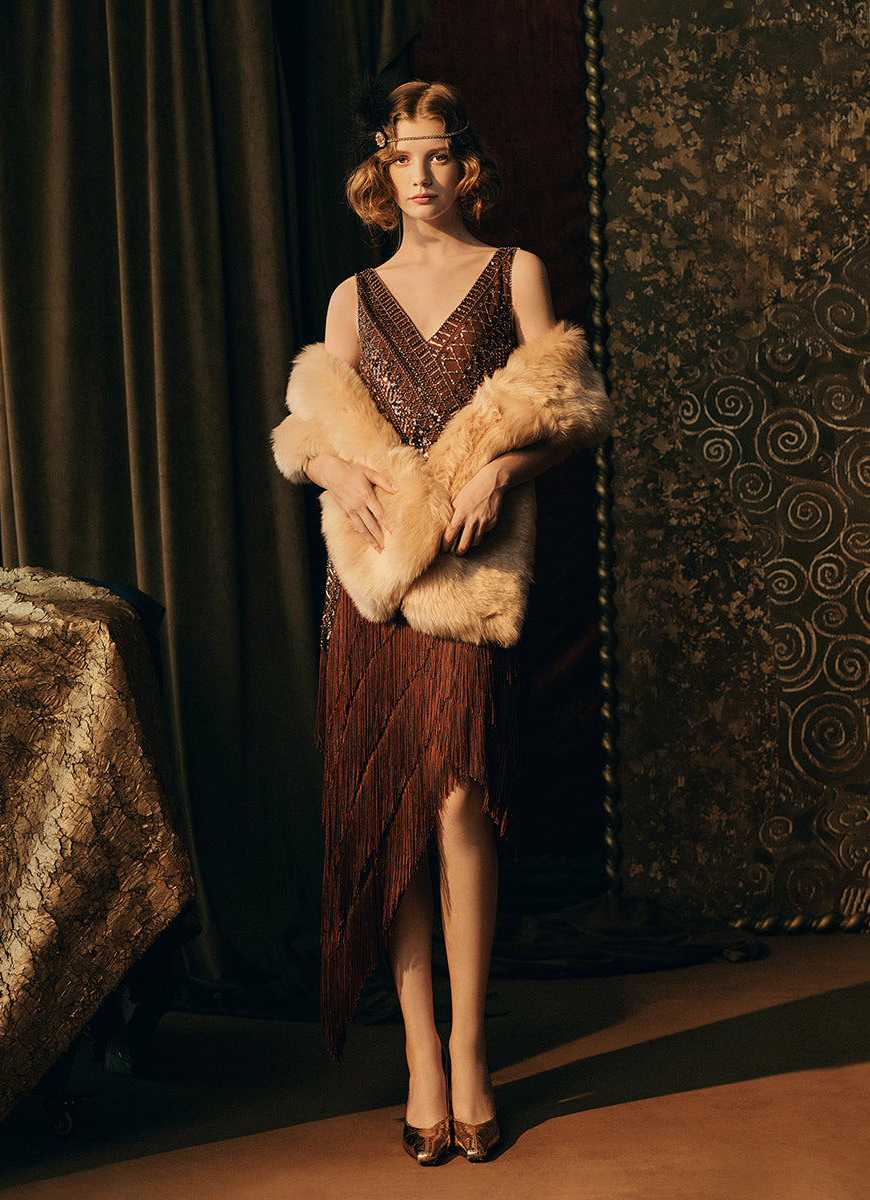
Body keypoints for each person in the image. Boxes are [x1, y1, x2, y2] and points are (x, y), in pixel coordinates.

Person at [272, 80, 611, 1165]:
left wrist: (503, 468)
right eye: (400, 154)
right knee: (395, 809)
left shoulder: (515, 274)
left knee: (461, 800)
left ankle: (470, 1048)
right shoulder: (353, 294)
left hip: (464, 582)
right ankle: (419, 1052)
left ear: (466, 165)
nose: (418, 175)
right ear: (382, 166)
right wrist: (332, 469)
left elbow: (572, 409)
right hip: (372, 584)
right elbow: (308, 428)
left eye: (437, 155)